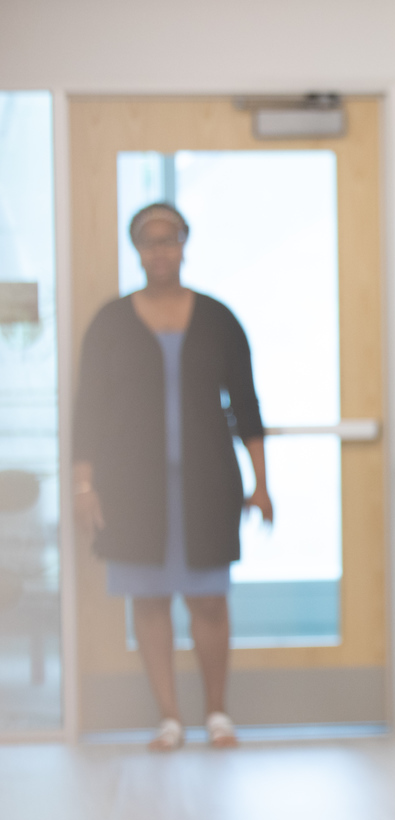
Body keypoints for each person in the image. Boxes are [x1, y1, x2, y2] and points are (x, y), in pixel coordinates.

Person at [72, 203, 270, 750]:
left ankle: (216, 713)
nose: (160, 250)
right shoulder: (111, 322)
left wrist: (261, 480)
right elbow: (88, 407)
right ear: (136, 249)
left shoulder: (218, 318)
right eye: (149, 240)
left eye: (170, 239)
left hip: (207, 485)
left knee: (208, 598)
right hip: (133, 487)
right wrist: (84, 485)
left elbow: (248, 405)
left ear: (185, 244)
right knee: (151, 598)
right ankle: (169, 718)